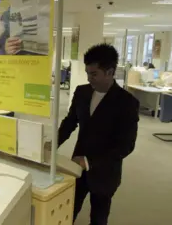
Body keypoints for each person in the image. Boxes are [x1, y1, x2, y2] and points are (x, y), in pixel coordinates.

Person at [57, 43, 139, 225]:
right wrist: (52, 143)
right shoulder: (82, 92)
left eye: (94, 74)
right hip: (76, 167)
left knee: (98, 218)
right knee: (68, 211)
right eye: (87, 73)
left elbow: (126, 145)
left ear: (110, 72)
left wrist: (89, 161)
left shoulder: (127, 103)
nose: (89, 78)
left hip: (105, 172)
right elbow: (70, 122)